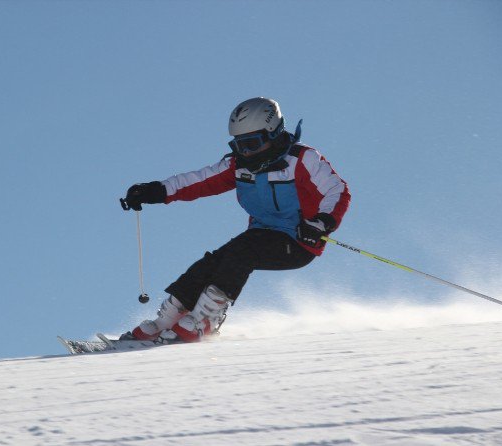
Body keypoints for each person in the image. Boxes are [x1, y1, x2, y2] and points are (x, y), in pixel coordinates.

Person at [120, 97, 351, 343]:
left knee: (241, 253)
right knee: (212, 262)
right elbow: (198, 181)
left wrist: (320, 223)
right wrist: (155, 191)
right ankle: (168, 320)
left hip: (299, 240)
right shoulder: (239, 165)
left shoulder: (303, 159)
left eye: (253, 143)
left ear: (273, 133)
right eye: (240, 145)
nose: (246, 152)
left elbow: (336, 191)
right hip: (260, 236)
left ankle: (205, 321)